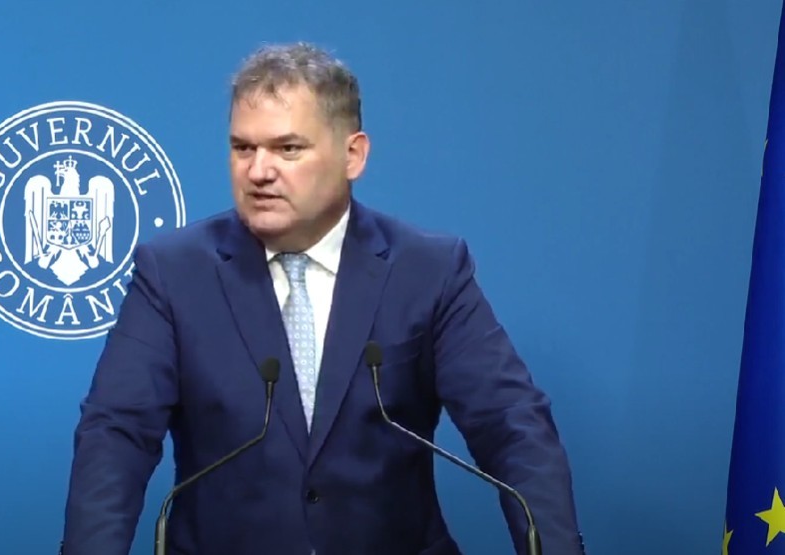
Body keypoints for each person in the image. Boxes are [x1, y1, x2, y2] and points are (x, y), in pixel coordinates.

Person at [61, 42, 585, 555]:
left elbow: (511, 425)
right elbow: (117, 434)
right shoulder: (174, 272)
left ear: (352, 155)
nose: (258, 171)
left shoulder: (428, 270)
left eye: (288, 149)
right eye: (243, 148)